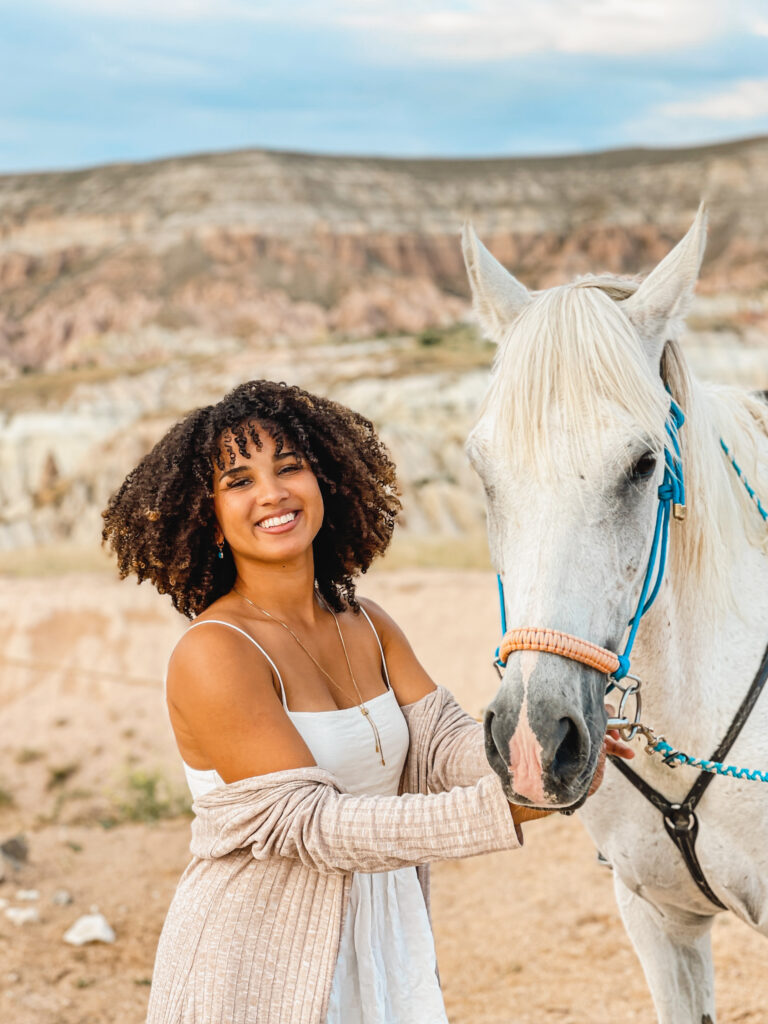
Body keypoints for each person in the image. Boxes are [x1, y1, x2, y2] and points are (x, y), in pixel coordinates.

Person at [102, 379, 633, 1024]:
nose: (272, 493)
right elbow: (313, 827)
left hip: (385, 944)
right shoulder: (215, 651)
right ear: (207, 515)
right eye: (239, 482)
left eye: (290, 468)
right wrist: (508, 808)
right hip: (257, 967)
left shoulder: (366, 623)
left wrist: (542, 743)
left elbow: (443, 744)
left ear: (327, 483)